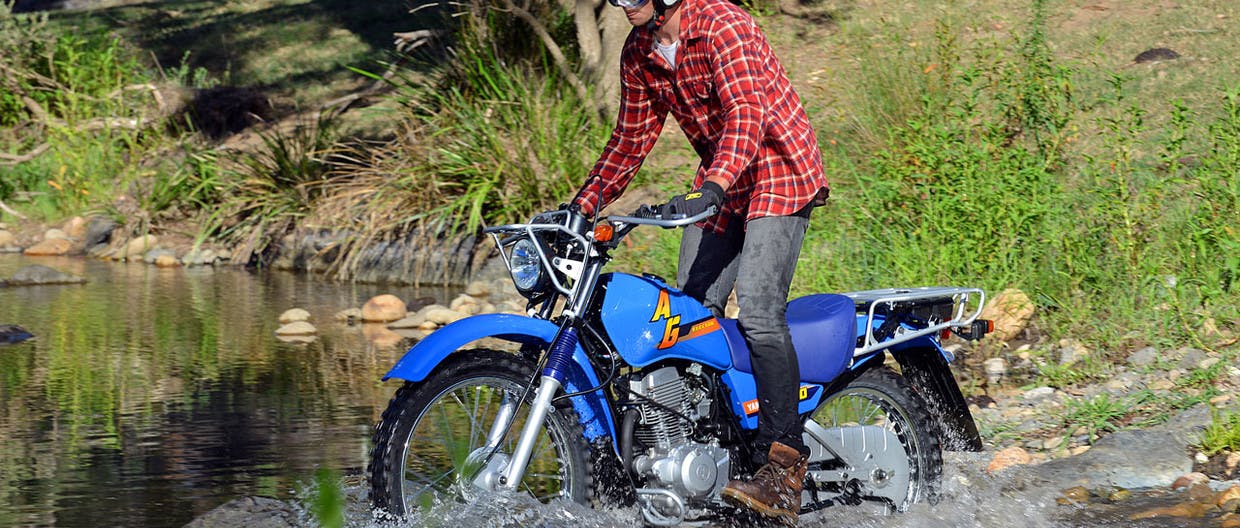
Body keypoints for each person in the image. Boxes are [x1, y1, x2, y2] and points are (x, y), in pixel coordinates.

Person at [571, 0, 829, 523]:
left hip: (778, 168)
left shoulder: (721, 24)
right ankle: (709, 453)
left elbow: (747, 114)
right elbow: (629, 140)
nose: (624, 6)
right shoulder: (641, 51)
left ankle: (781, 469)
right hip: (723, 181)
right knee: (688, 314)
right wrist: (581, 207)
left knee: (757, 310)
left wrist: (712, 186)